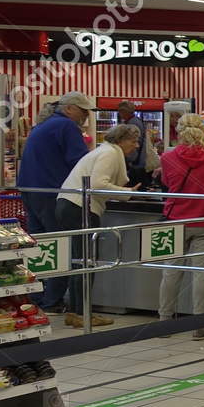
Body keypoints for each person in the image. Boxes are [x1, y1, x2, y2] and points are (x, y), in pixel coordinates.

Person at [55, 124, 141, 327]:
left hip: (69, 205)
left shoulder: (104, 151)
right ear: (120, 140)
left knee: (80, 261)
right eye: (133, 140)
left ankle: (77, 312)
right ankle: (82, 314)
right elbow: (97, 185)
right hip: (80, 208)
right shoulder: (110, 154)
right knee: (86, 261)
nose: (136, 146)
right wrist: (125, 192)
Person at [157, 114, 204, 338]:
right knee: (202, 273)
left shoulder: (167, 157)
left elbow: (167, 184)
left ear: (179, 132)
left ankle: (164, 323)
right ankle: (200, 325)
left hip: (177, 219)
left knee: (171, 270)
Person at [18, 91, 93, 312]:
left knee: (40, 246)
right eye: (82, 110)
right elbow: (80, 162)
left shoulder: (43, 125)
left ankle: (37, 298)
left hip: (30, 189)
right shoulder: (67, 126)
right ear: (69, 108)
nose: (85, 115)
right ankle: (53, 301)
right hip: (51, 192)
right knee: (61, 246)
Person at [115, 101, 155, 187]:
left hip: (137, 163)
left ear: (125, 112)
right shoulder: (136, 121)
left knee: (136, 187)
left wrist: (129, 160)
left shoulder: (133, 123)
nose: (119, 114)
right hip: (139, 162)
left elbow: (135, 144)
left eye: (120, 112)